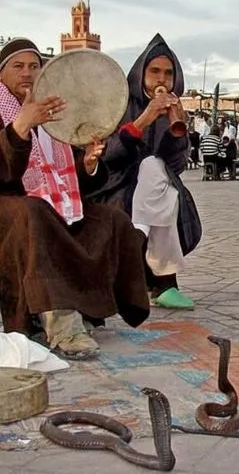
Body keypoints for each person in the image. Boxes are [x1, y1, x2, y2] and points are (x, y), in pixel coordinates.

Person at [0, 38, 150, 359]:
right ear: (2, 74)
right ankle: (63, 327)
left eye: (34, 66)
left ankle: (91, 308)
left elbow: (74, 185)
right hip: (9, 206)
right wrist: (21, 126)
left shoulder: (54, 114)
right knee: (34, 213)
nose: (27, 73)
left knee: (110, 219)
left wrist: (88, 164)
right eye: (18, 66)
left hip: (46, 207)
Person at [89, 33, 200, 311]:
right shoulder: (117, 105)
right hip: (116, 185)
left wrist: (178, 131)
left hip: (155, 189)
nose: (161, 80)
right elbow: (109, 157)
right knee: (158, 185)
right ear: (141, 73)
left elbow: (176, 166)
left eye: (168, 73)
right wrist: (144, 119)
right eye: (155, 72)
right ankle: (165, 282)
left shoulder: (175, 110)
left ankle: (138, 240)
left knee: (155, 169)